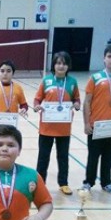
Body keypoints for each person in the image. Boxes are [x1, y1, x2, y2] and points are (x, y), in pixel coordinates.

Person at [81, 44, 111, 195]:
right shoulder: (95, 78)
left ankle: (107, 183)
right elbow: (87, 102)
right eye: (109, 56)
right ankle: (88, 182)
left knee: (109, 157)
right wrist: (86, 123)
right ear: (104, 58)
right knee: (93, 156)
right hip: (96, 126)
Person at [33, 51, 81, 196]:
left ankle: (63, 183)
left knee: (63, 157)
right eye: (58, 63)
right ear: (53, 65)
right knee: (43, 157)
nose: (61, 66)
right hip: (46, 127)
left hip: (64, 128)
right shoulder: (46, 81)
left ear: (68, 66)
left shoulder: (72, 82)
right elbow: (37, 99)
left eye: (64, 63)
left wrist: (77, 104)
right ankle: (40, 183)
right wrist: (36, 106)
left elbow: (77, 99)